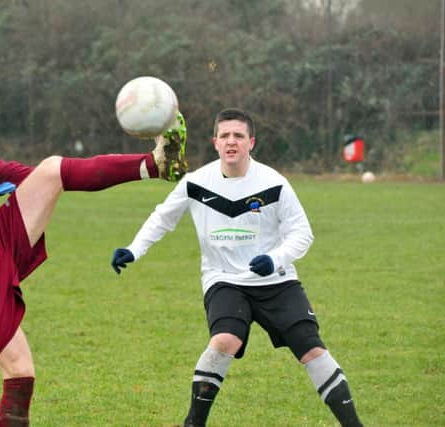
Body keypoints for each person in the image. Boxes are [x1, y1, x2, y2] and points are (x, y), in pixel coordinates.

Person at [0, 58, 187, 426]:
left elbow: (53, 178)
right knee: (20, 373)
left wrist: (129, 166)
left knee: (52, 169)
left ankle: (157, 163)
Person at [111, 108, 363, 427]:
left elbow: (302, 233)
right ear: (215, 142)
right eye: (225, 136)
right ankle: (193, 423)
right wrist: (134, 249)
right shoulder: (196, 183)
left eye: (239, 136)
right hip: (224, 281)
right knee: (225, 340)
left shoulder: (274, 183)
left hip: (276, 281)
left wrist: (275, 259)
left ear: (251, 142)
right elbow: (163, 217)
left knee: (311, 350)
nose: (232, 142)